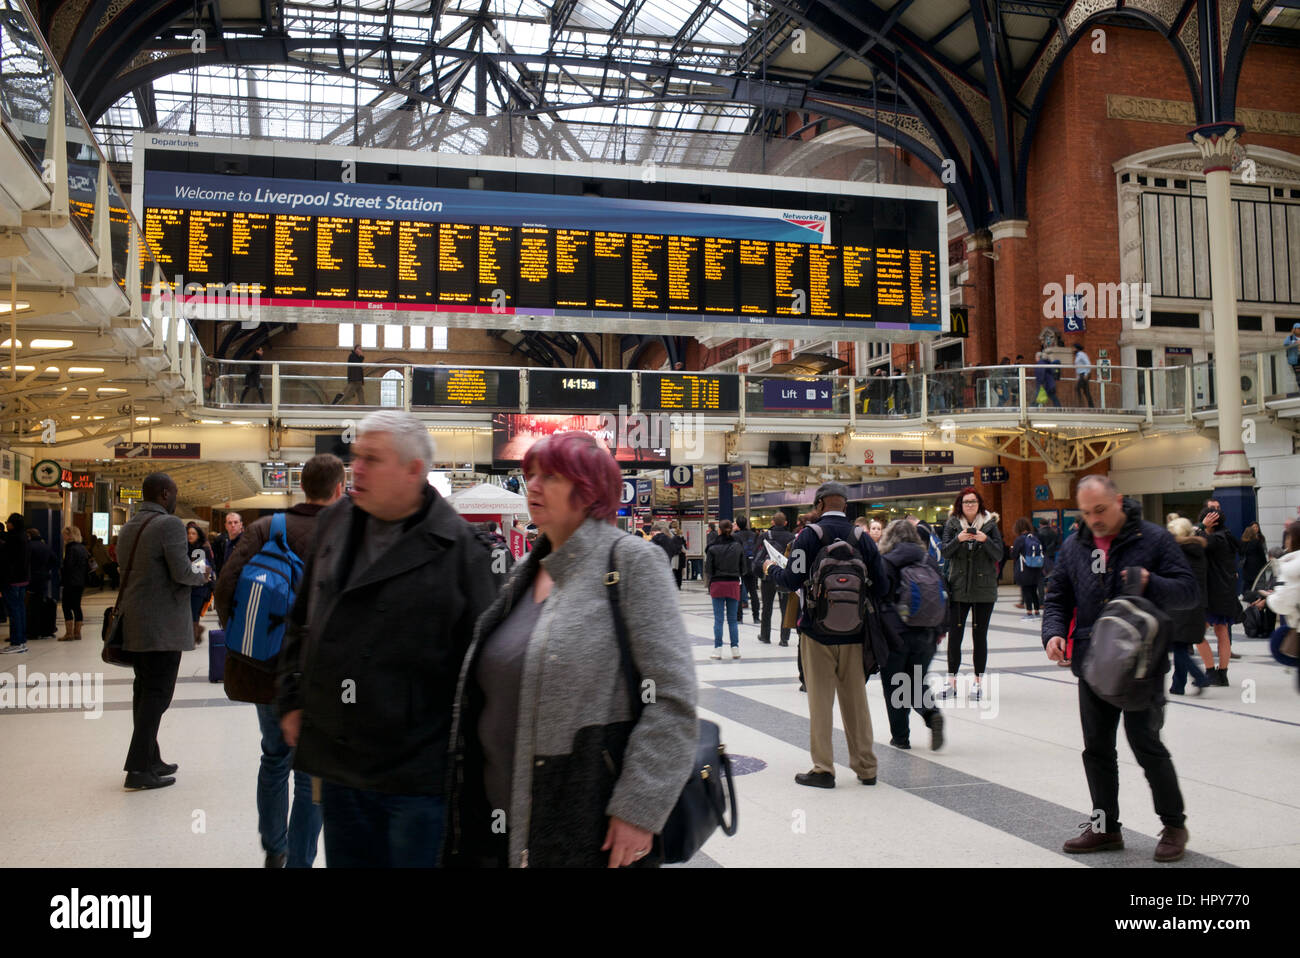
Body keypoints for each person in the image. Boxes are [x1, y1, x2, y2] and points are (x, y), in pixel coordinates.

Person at [444, 430, 697, 868]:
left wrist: (639, 808)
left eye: (552, 477)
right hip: (494, 815)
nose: (534, 486)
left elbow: (672, 699)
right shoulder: (526, 572)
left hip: (580, 812)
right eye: (531, 475)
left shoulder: (631, 561)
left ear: (588, 490)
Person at [277, 411, 496, 867]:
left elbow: (481, 672)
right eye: (356, 456)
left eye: (372, 459)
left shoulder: (459, 549)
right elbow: (302, 618)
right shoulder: (336, 523)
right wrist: (292, 698)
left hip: (416, 775)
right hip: (342, 766)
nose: (356, 468)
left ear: (414, 470)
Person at [1042, 475, 1197, 862]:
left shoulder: (1153, 539)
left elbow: (1188, 591)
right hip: (1092, 663)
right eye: (1086, 512)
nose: (1094, 519)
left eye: (1101, 510)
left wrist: (1150, 581)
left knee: (1146, 745)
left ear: (1119, 502)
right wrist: (1054, 633)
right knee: (1096, 750)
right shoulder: (1075, 545)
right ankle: (1105, 827)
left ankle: (1174, 825)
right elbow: (1057, 595)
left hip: (1142, 664)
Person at [216, 454, 345, 868]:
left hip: (265, 672)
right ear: (339, 489)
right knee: (311, 774)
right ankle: (301, 861)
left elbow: (225, 589)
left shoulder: (264, 529)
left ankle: (276, 849)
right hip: (323, 677)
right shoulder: (346, 533)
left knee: (274, 757)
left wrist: (249, 642)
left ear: (301, 486)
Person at [763, 482, 889, 788]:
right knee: (856, 702)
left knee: (820, 703)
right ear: (845, 506)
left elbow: (791, 579)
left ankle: (823, 769)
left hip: (816, 632)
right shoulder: (862, 538)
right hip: (857, 634)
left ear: (819, 505)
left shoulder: (808, 536)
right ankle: (866, 767)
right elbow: (884, 586)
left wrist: (769, 568)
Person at [118, 473, 212, 789]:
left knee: (144, 691)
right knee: (158, 693)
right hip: (162, 625)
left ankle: (150, 758)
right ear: (164, 493)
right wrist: (203, 574)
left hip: (135, 620)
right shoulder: (169, 524)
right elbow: (182, 572)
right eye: (173, 493)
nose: (174, 498)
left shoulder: (130, 525)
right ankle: (138, 768)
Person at [877, 519, 945, 752]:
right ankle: (931, 713)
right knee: (916, 681)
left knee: (895, 685)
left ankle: (901, 737)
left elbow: (880, 597)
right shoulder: (929, 560)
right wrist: (940, 630)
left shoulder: (886, 562)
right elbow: (945, 594)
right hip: (927, 633)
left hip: (895, 635)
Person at [938, 487, 1004, 700]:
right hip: (958, 589)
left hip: (984, 590)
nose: (970, 505)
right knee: (955, 637)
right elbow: (945, 552)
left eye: (973, 502)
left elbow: (1000, 554)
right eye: (966, 502)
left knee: (979, 636)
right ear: (960, 504)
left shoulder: (990, 525)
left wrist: (985, 540)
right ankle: (951, 682)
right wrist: (959, 539)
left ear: (979, 504)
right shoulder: (952, 524)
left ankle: (977, 682)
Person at [1165, 516, 1212, 696]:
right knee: (1181, 645)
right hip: (1195, 602)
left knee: (1178, 645)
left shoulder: (1178, 552)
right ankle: (1178, 685)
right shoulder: (1198, 550)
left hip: (1180, 603)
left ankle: (1199, 677)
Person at [1197, 505, 1240, 686]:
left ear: (1211, 522)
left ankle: (1210, 671)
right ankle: (1222, 674)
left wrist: (1201, 526)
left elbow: (1198, 542)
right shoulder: (1228, 536)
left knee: (1197, 633)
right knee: (1222, 631)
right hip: (1225, 590)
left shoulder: (1214, 538)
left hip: (1212, 592)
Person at [705, 519, 745, 659]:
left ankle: (718, 649)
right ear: (731, 530)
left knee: (718, 619)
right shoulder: (738, 546)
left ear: (719, 530)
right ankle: (735, 648)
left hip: (717, 584)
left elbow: (708, 569)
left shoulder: (712, 548)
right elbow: (744, 568)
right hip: (733, 584)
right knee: (733, 619)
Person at [758, 513, 796, 646]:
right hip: (784, 577)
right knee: (785, 608)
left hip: (768, 576)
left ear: (773, 522)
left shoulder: (765, 536)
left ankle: (765, 636)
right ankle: (784, 639)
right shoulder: (792, 537)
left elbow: (758, 554)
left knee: (767, 607)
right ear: (785, 523)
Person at [0, 513, 30, 653]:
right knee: (20, 610)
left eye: (8, 522)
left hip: (12, 580)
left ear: (13, 524)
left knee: (14, 611)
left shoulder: (13, 539)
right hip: (22, 579)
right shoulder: (24, 537)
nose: (6, 524)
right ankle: (21, 640)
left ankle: (16, 642)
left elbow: (7, 559)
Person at [185, 523, 215, 646]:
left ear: (198, 535)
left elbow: (199, 571)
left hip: (200, 587)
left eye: (193, 533)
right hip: (192, 586)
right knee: (193, 612)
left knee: (193, 612)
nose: (190, 536)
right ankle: (195, 633)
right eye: (188, 533)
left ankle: (193, 636)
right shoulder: (186, 548)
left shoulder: (199, 550)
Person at [59, 527, 91, 641]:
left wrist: (61, 572)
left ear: (69, 535)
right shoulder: (82, 548)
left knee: (66, 606)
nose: (63, 537)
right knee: (77, 606)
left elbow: (68, 566)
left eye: (64, 535)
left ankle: (69, 634)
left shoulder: (70, 548)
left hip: (70, 581)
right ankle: (77, 633)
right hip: (80, 581)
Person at [25, 528, 56, 639]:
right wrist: (46, 569)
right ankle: (41, 628)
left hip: (31, 578)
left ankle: (32, 630)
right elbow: (54, 560)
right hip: (43, 578)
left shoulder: (29, 546)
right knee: (39, 602)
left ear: (29, 535)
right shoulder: (45, 546)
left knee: (30, 605)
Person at [1009, 518, 1043, 621]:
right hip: (1036, 568)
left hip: (1024, 569)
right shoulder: (1034, 537)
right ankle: (1037, 611)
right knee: (1033, 590)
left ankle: (1029, 613)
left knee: (1026, 591)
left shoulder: (1020, 539)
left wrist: (1011, 549)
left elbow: (1014, 555)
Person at [734, 515, 760, 624]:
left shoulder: (735, 536)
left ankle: (739, 617)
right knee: (753, 592)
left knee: (738, 593)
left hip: (740, 567)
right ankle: (756, 617)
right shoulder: (754, 535)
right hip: (752, 566)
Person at [1240, 523, 1267, 598]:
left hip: (1246, 567)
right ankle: (1257, 599)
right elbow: (1262, 555)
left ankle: (1247, 598)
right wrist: (1265, 566)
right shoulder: (1257, 542)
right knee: (1257, 585)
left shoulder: (1242, 543)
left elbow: (1240, 553)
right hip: (1257, 567)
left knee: (1248, 584)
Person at [1073, 342, 1094, 408]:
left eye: (1073, 348)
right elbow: (1078, 368)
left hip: (1084, 374)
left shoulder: (1082, 354)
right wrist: (1077, 377)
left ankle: (1080, 404)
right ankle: (1091, 406)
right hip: (1081, 374)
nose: (1072, 350)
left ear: (1076, 348)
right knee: (1086, 391)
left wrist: (1086, 373)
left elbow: (1088, 363)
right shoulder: (1077, 355)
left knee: (1077, 388)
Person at [668, 522, 687, 590]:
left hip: (674, 555)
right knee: (679, 571)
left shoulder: (669, 534)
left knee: (674, 570)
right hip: (681, 555)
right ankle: (679, 585)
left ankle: (674, 585)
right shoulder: (681, 534)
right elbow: (685, 545)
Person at [1285, 321, 1300, 394]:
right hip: (1295, 358)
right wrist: (1294, 343)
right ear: (1294, 329)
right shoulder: (1290, 337)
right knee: (1298, 374)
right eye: (1298, 328)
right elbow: (1285, 344)